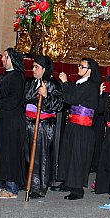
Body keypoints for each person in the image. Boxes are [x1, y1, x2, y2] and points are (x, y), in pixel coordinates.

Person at [54, 58, 102, 200]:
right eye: (79, 65)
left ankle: (77, 190)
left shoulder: (91, 85)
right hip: (73, 123)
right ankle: (66, 182)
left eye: (82, 66)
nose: (79, 68)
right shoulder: (80, 83)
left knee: (77, 157)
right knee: (67, 153)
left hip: (82, 127)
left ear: (90, 70)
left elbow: (72, 98)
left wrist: (65, 83)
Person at [0, 48, 26, 199]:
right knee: (0, 152)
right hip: (2, 119)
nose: (2, 59)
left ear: (12, 59)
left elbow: (13, 100)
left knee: (10, 154)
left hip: (12, 121)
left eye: (5, 57)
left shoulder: (18, 77)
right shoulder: (5, 75)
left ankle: (11, 188)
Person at [22, 55, 63, 199]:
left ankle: (39, 186)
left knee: (41, 156)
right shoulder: (32, 82)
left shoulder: (53, 84)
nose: (33, 70)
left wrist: (46, 96)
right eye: (33, 67)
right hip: (29, 123)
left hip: (43, 126)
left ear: (44, 69)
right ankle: (28, 182)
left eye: (36, 67)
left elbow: (58, 104)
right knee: (28, 154)